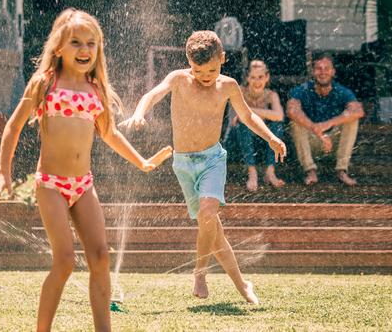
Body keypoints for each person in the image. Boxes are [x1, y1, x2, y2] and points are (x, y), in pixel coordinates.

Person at [0, 9, 172, 332]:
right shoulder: (45, 83)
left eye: (91, 44)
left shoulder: (96, 90)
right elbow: (12, 128)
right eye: (76, 43)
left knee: (100, 258)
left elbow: (109, 134)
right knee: (65, 261)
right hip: (51, 185)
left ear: (99, 49)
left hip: (83, 185)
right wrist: (3, 172)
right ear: (59, 48)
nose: (85, 50)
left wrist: (142, 161)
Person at [121, 31, 286, 305]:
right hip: (184, 164)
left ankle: (200, 272)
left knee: (209, 213)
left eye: (211, 69)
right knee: (214, 231)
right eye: (199, 70)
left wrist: (270, 137)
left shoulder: (229, 86)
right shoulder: (178, 79)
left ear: (222, 59)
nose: (206, 76)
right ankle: (243, 284)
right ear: (189, 62)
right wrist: (139, 113)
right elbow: (152, 94)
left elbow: (247, 115)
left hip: (212, 159)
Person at [286, 53, 364, 186]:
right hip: (312, 143)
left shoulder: (341, 91)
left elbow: (358, 111)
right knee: (295, 122)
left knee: (352, 119)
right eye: (318, 68)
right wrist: (316, 130)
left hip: (333, 143)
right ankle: (310, 171)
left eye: (326, 68)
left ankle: (342, 170)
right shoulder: (303, 90)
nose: (323, 72)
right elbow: (291, 110)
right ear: (312, 71)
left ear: (333, 71)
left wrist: (326, 124)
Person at [228, 60, 285, 191]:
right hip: (236, 142)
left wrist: (250, 111)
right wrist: (265, 114)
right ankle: (252, 173)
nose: (257, 81)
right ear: (247, 78)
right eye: (253, 77)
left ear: (267, 77)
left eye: (260, 77)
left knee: (277, 126)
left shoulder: (271, 95)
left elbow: (279, 116)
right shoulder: (239, 92)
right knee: (244, 124)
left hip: (261, 142)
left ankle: (270, 171)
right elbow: (235, 120)